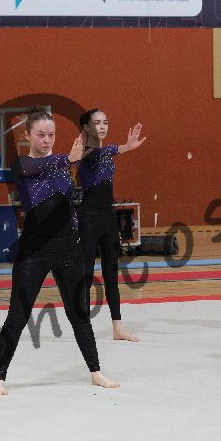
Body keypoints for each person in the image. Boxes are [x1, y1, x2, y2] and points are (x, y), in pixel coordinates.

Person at [0, 108, 119, 395]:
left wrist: (118, 147)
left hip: (68, 250)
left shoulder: (63, 163)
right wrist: (68, 159)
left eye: (51, 135)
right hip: (33, 252)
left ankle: (95, 371)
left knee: (79, 314)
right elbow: (38, 169)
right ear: (27, 135)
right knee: (18, 316)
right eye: (41, 134)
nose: (47, 140)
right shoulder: (21, 164)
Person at [76, 108, 145, 342]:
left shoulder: (104, 152)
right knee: (86, 273)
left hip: (107, 217)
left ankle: (117, 328)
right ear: (86, 127)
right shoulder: (85, 151)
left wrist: (125, 147)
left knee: (111, 273)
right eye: (97, 122)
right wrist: (124, 147)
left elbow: (107, 152)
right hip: (88, 218)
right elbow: (101, 153)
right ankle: (83, 327)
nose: (103, 126)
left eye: (105, 122)